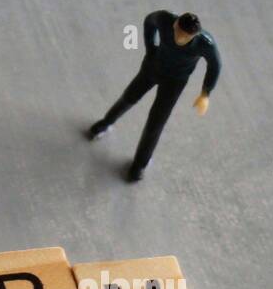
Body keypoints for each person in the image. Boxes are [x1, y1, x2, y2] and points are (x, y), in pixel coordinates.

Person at [88, 11, 220, 182]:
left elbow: (215, 65)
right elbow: (149, 22)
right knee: (128, 97)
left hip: (174, 82)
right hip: (152, 69)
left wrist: (205, 93)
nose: (179, 38)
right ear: (175, 24)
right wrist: (150, 47)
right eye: (178, 32)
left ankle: (140, 163)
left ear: (193, 36)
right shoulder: (164, 19)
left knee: (155, 123)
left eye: (185, 37)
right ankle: (105, 123)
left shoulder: (205, 43)